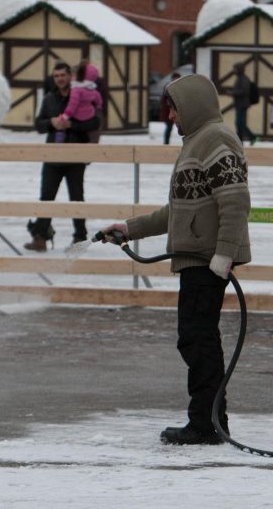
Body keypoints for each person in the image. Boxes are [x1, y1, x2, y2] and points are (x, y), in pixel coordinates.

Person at [101, 74, 251, 446]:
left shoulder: (215, 139)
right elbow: (178, 210)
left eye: (174, 108)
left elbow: (235, 201)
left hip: (207, 260)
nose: (170, 117)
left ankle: (207, 423)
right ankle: (210, 420)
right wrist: (129, 228)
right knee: (196, 339)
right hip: (196, 257)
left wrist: (225, 254)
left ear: (192, 105)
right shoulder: (196, 143)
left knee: (198, 340)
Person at [27, 62, 95, 251]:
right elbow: (38, 125)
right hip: (53, 156)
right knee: (46, 197)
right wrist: (51, 123)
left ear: (70, 76)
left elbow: (94, 122)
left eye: (62, 75)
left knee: (76, 198)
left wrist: (71, 125)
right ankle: (40, 236)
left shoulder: (81, 96)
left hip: (75, 155)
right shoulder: (49, 98)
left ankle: (80, 238)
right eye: (56, 76)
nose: (59, 79)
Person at [59, 59, 102, 140]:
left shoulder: (76, 90)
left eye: (73, 75)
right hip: (67, 138)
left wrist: (66, 118)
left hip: (81, 136)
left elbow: (72, 106)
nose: (71, 78)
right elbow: (98, 99)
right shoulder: (91, 89)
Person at [230, 62, 258, 145]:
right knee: (240, 123)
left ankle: (251, 137)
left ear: (239, 69)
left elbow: (244, 91)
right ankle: (241, 140)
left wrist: (233, 93)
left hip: (242, 104)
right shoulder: (240, 78)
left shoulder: (243, 79)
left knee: (240, 123)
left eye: (235, 69)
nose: (233, 70)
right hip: (240, 104)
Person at [160, 72, 181, 144]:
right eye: (175, 78)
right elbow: (163, 100)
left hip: (177, 111)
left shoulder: (179, 87)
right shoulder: (168, 87)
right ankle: (166, 142)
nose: (176, 80)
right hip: (169, 111)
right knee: (169, 127)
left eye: (178, 78)